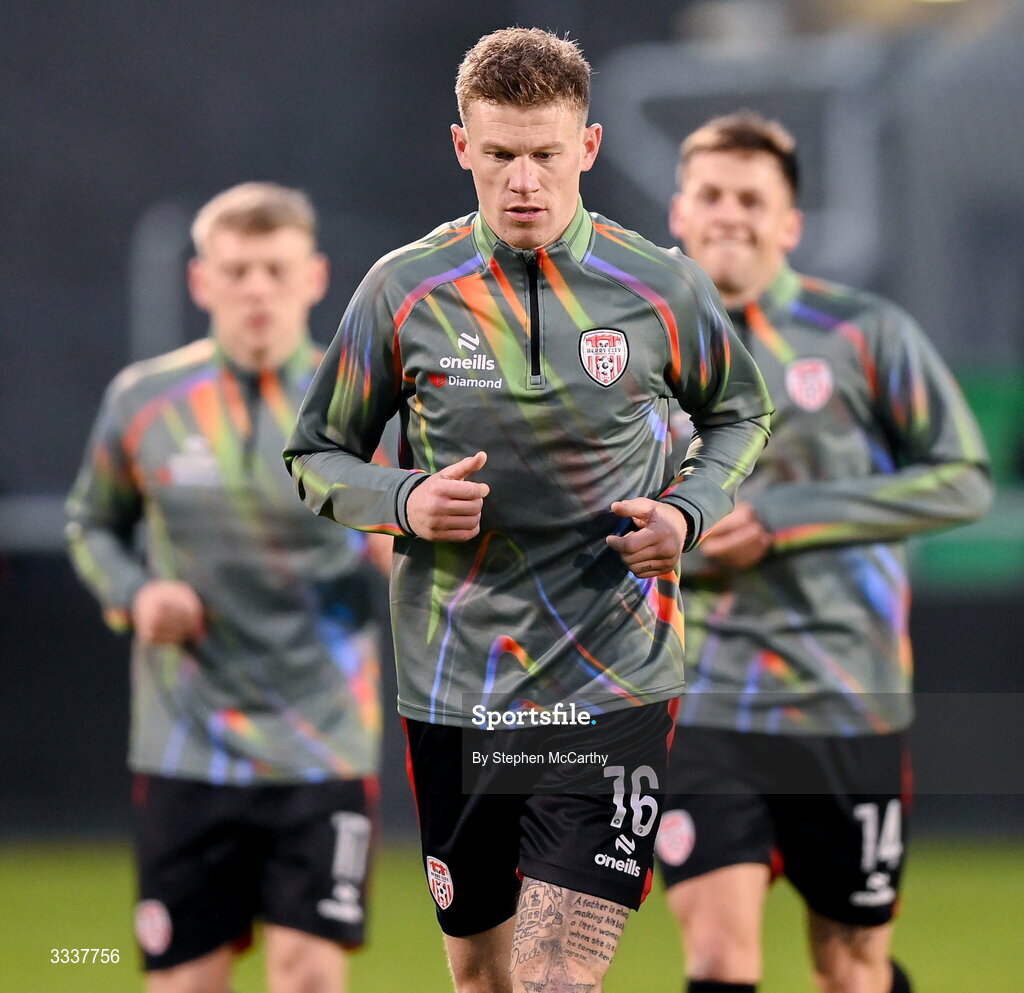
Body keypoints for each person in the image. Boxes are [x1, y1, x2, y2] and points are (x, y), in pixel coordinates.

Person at [284, 27, 772, 993]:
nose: (524, 182)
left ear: (586, 148)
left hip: (613, 682)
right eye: (500, 154)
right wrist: (406, 498)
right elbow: (314, 452)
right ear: (462, 146)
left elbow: (742, 410)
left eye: (546, 154)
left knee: (557, 978)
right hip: (456, 685)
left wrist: (691, 510)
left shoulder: (660, 286)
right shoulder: (400, 291)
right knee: (482, 976)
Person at [654, 111, 993, 993]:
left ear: (789, 223)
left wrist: (788, 516)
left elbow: (962, 478)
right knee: (718, 954)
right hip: (705, 697)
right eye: (712, 194)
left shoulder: (862, 333)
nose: (730, 213)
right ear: (678, 212)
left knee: (851, 963)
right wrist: (682, 541)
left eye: (751, 198)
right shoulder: (634, 356)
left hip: (848, 698)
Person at [66, 182, 388, 993]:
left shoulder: (369, 410)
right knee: (184, 982)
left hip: (323, 740)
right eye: (236, 269)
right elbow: (91, 523)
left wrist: (404, 547)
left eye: (273, 270)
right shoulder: (143, 400)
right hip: (187, 742)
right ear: (200, 282)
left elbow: (425, 538)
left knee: (307, 976)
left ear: (313, 278)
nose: (255, 289)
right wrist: (136, 594)